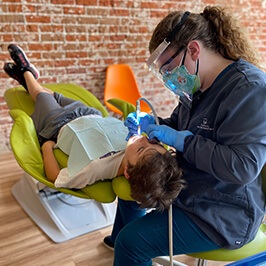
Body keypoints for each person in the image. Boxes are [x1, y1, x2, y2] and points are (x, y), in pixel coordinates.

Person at [103, 5, 266, 265]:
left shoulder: (250, 89)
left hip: (225, 213)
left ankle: (128, 249)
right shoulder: (198, 86)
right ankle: (120, 242)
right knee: (133, 188)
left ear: (192, 50)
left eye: (167, 66)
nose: (167, 77)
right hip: (198, 188)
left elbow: (243, 167)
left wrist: (182, 141)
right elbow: (180, 125)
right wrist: (151, 124)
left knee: (131, 244)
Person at [4, 43, 185, 211]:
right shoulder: (136, 145)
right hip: (87, 112)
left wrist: (47, 148)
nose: (144, 139)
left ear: (128, 172)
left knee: (40, 95)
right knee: (53, 95)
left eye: (141, 149)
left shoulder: (97, 168)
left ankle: (27, 71)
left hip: (58, 123)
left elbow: (56, 178)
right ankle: (26, 78)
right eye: (154, 143)